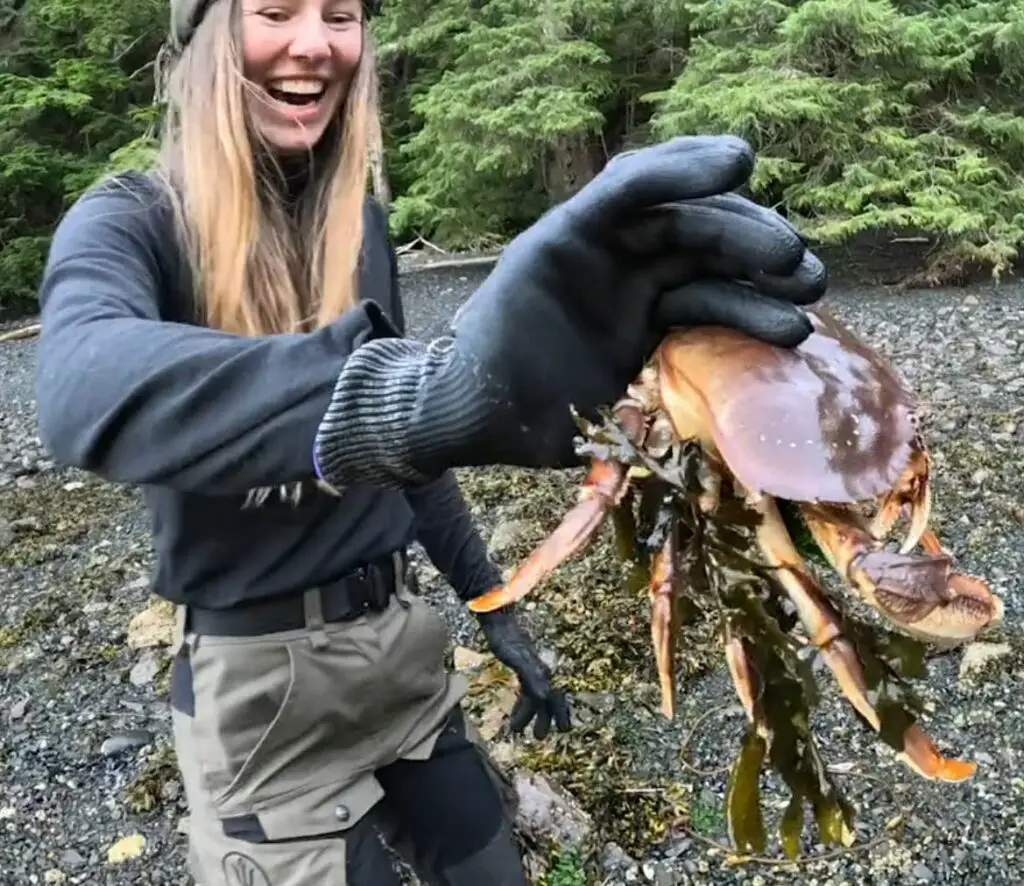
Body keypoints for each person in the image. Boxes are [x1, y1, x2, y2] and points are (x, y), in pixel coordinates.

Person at [33, 0, 827, 883]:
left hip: (402, 655)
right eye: (273, 11)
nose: (314, 42)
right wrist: (403, 394)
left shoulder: (360, 227)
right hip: (256, 694)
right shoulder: (131, 222)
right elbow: (80, 386)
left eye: (341, 15)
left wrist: (495, 606)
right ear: (207, 36)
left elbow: (412, 456)